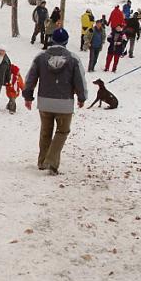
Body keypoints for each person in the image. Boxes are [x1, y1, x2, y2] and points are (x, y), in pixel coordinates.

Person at [23, 28, 87, 175]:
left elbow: (30, 78)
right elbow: (80, 80)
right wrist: (81, 97)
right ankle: (51, 161)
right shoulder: (73, 59)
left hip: (44, 101)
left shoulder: (40, 58)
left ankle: (42, 161)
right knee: (62, 131)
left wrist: (28, 96)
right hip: (64, 103)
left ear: (52, 40)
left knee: (45, 131)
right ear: (66, 41)